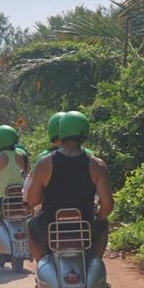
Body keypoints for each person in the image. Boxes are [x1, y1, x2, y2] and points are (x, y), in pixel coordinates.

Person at [24, 111, 113, 261]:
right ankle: (95, 262)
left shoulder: (45, 163)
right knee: (103, 225)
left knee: (29, 226)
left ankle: (41, 267)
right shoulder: (97, 165)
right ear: (85, 131)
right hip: (85, 227)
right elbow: (108, 205)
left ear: (61, 131)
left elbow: (32, 200)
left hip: (50, 227)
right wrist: (99, 218)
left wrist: (34, 204)